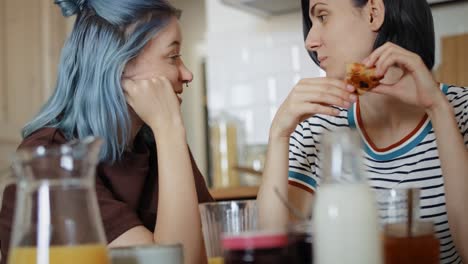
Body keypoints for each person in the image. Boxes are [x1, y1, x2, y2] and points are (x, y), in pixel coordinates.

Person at [0, 1, 212, 263]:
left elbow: (216, 246)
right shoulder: (51, 160)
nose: (188, 74)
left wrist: (278, 138)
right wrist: (169, 130)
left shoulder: (157, 144)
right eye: (173, 56)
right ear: (119, 65)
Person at [257, 0, 467, 263]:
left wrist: (438, 109)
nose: (310, 41)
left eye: (322, 16)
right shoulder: (315, 128)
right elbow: (274, 253)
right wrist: (279, 134)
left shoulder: (461, 111)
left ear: (373, 13)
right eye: (311, 23)